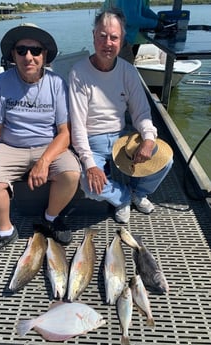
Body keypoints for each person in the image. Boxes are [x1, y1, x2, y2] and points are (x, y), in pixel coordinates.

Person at [0, 23, 81, 262]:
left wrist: (44, 161)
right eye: (21, 50)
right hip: (10, 147)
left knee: (72, 173)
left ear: (44, 55)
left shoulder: (56, 84)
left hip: (48, 145)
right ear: (13, 55)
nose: (29, 57)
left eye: (35, 51)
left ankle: (51, 218)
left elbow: (64, 133)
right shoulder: (1, 83)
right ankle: (5, 231)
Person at [69, 9, 173, 224]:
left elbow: (141, 113)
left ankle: (138, 192)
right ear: (93, 36)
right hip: (92, 141)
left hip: (122, 139)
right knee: (89, 187)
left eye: (114, 37)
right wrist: (89, 164)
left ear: (122, 39)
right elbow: (77, 126)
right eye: (102, 36)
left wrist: (148, 138)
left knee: (166, 160)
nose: (108, 43)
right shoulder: (78, 72)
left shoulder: (128, 71)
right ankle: (123, 197)